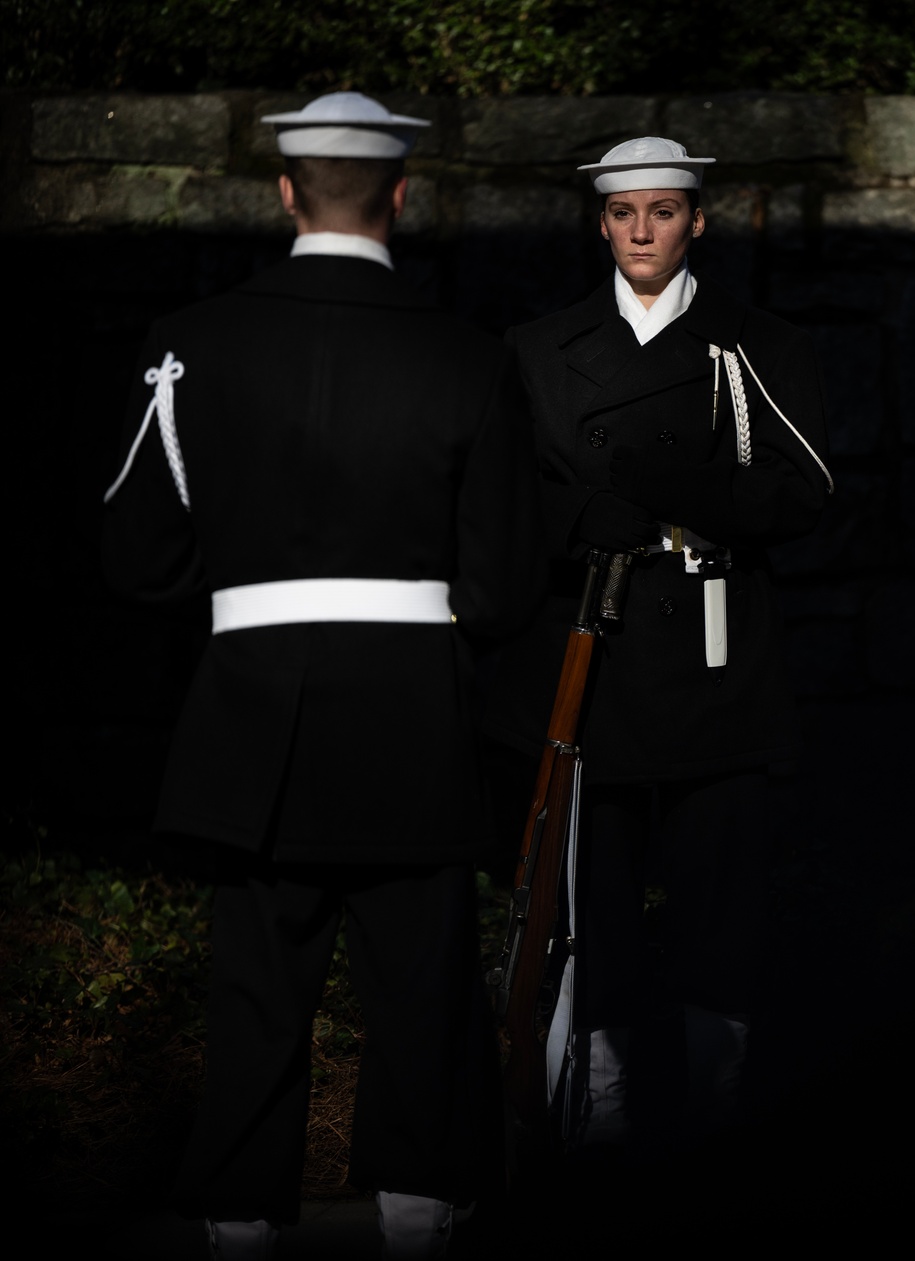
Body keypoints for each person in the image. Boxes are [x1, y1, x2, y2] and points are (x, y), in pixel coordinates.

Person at [103, 92, 542, 1259]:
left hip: (252, 712)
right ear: (400, 193)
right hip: (412, 713)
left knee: (256, 988)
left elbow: (138, 558)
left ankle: (238, 1219)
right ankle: (419, 1213)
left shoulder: (189, 346)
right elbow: (502, 587)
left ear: (287, 191)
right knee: (423, 990)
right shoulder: (471, 358)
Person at [486, 136, 832, 1153]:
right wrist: (574, 517)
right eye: (623, 211)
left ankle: (715, 1118)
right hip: (591, 655)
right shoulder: (537, 348)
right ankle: (598, 1117)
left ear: (698, 221)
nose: (642, 231)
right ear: (600, 223)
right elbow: (499, 493)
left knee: (721, 907)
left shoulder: (753, 343)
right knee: (592, 906)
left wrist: (674, 483)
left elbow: (806, 488)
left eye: (664, 211)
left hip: (712, 662)